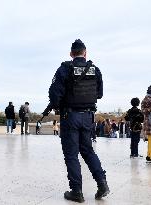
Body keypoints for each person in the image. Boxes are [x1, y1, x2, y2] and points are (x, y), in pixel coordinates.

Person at [42, 39, 109, 203]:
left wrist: (61, 103)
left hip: (70, 117)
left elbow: (54, 95)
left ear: (71, 54)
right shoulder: (95, 70)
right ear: (85, 53)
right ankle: (102, 184)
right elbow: (99, 94)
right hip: (88, 117)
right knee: (88, 151)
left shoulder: (65, 68)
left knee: (71, 154)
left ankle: (76, 191)